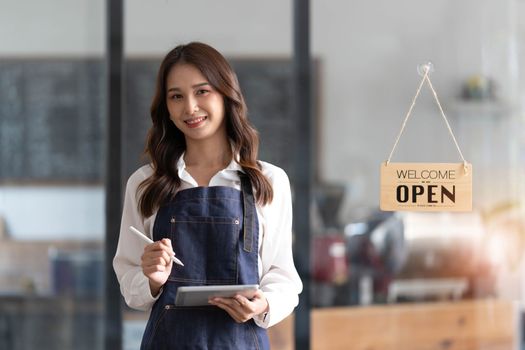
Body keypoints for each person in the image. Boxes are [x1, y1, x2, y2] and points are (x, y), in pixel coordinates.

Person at [113, 42, 302, 349]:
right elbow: (128, 280)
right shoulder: (144, 183)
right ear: (167, 108)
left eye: (202, 91)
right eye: (176, 96)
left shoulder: (268, 181)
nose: (190, 108)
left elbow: (284, 278)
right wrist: (151, 278)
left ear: (226, 95)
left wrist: (262, 303)